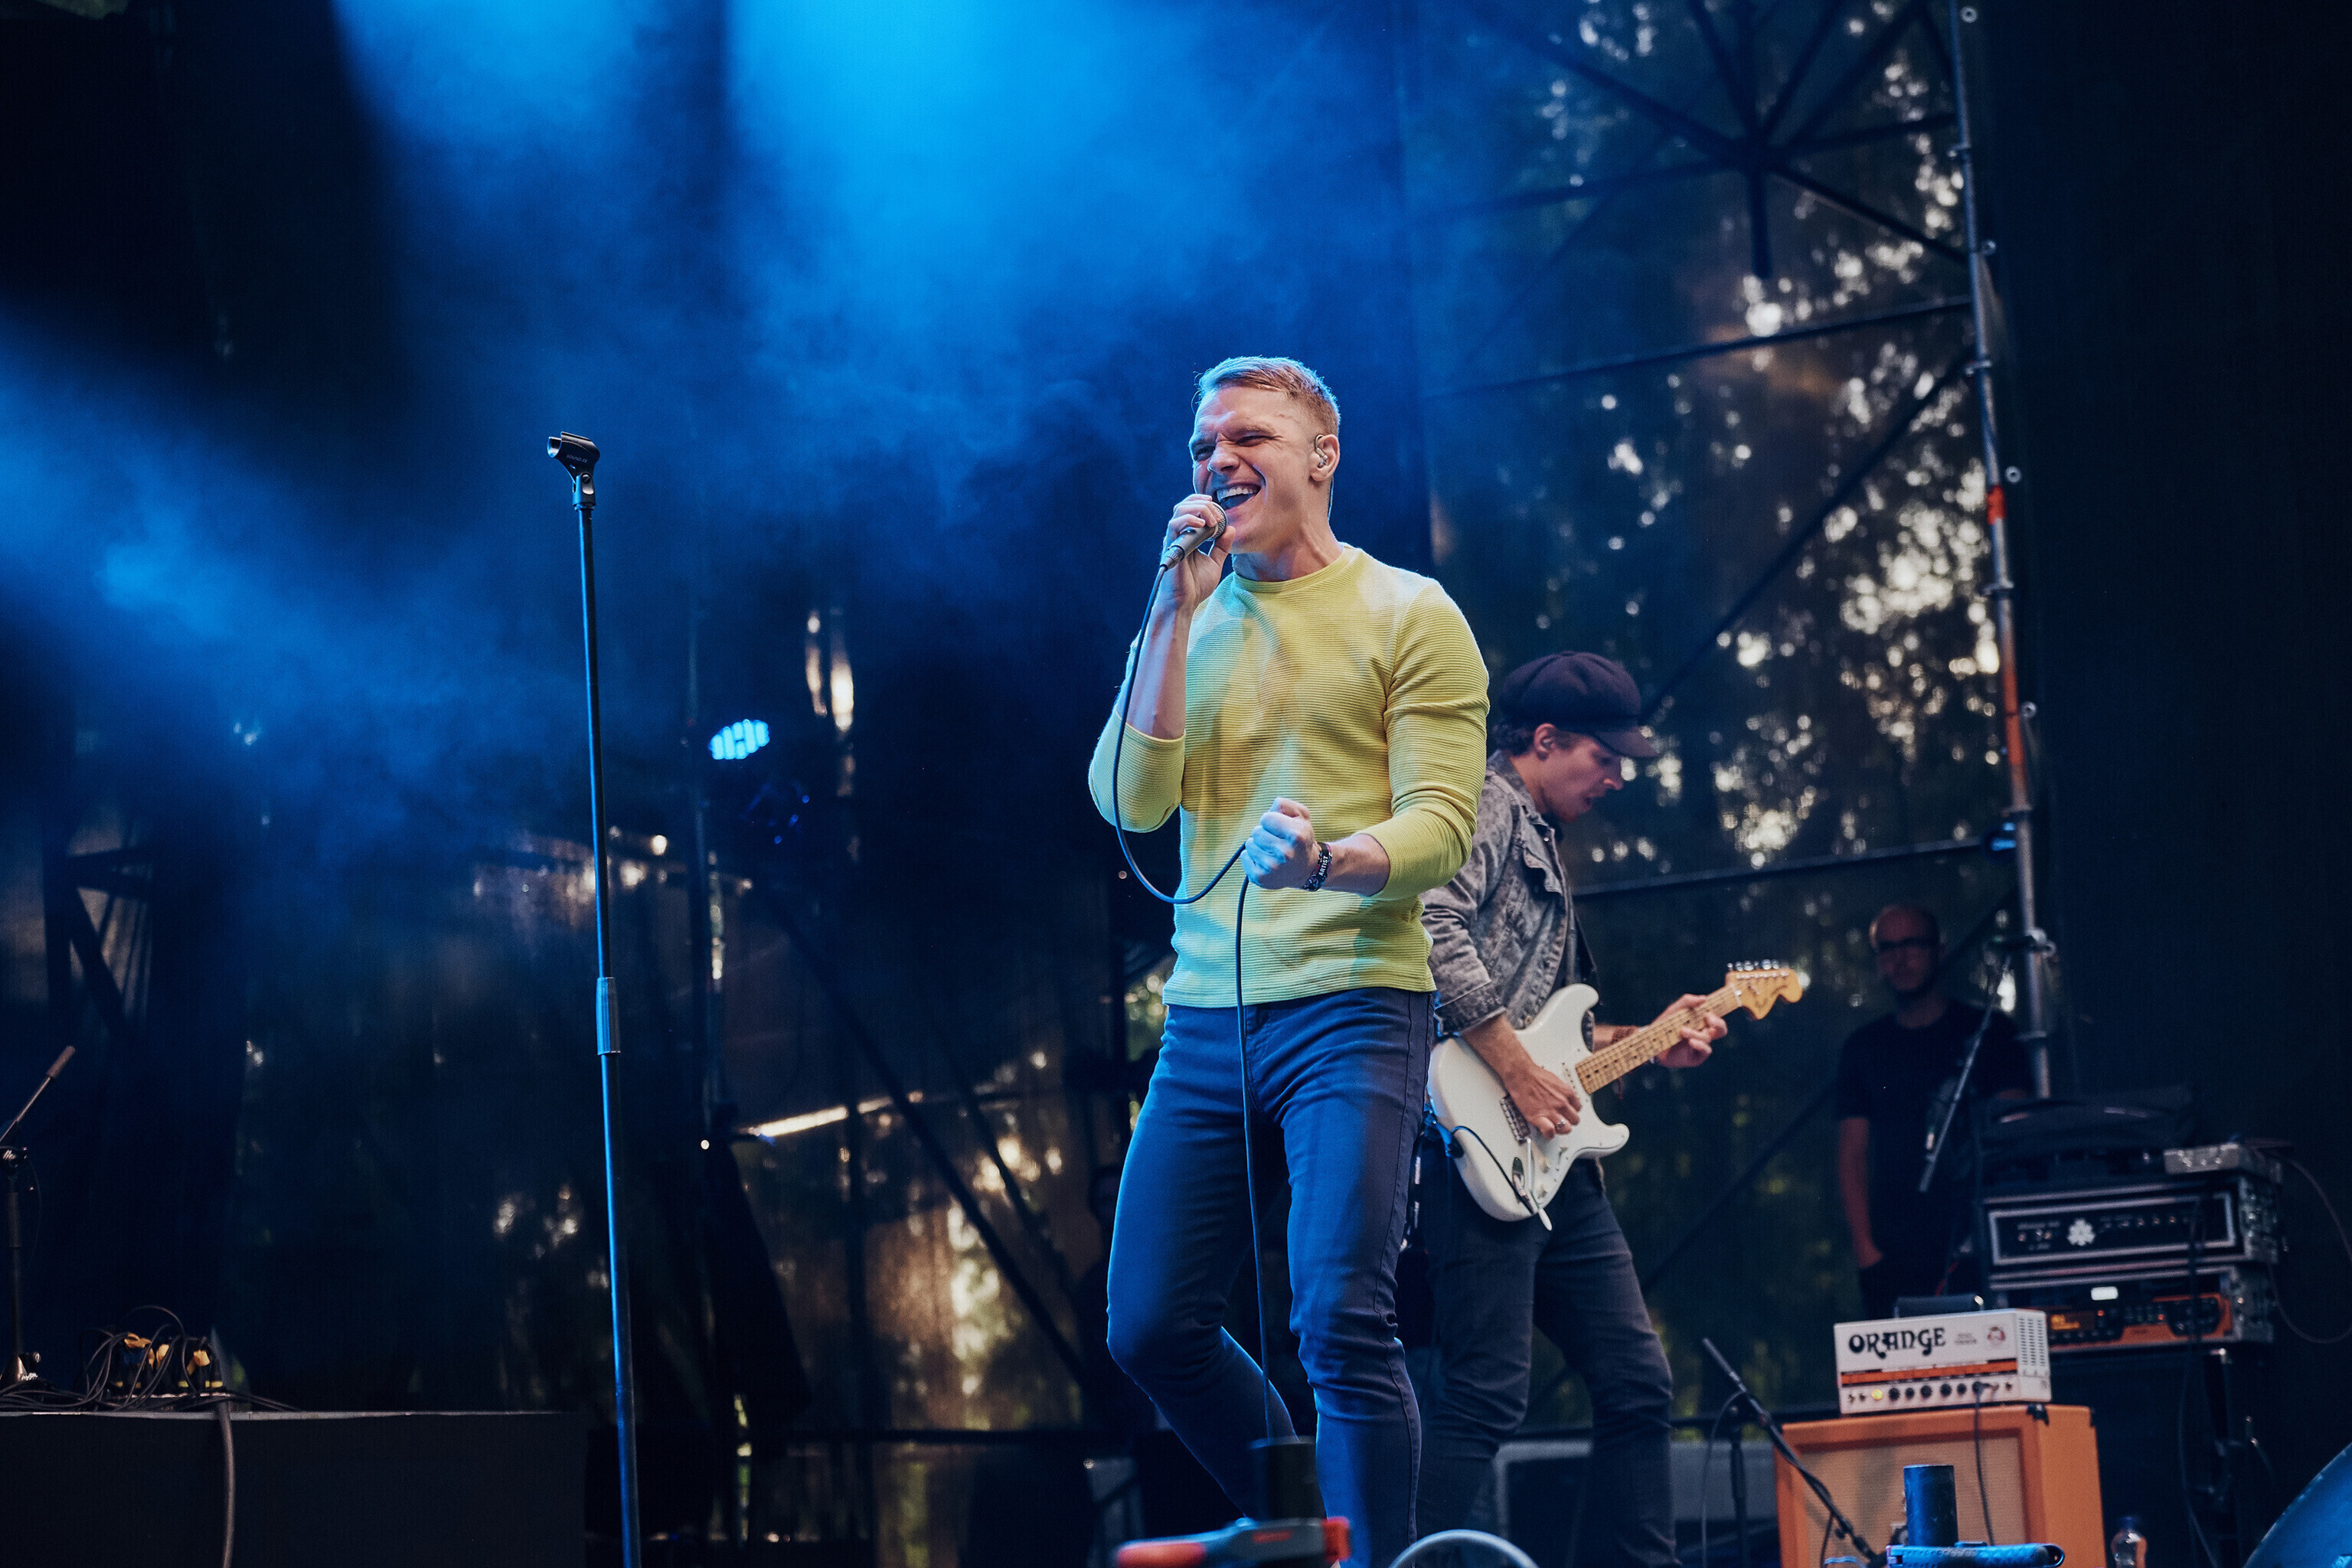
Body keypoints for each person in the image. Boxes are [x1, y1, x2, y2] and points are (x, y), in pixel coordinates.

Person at [1089, 357, 1488, 1568]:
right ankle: (1307, 1523)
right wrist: (1172, 612)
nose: (1219, 460)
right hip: (1207, 1018)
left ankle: (1368, 1559)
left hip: (1356, 1005)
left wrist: (1326, 861)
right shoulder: (1186, 617)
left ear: (1322, 454)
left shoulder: (1409, 613)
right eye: (1204, 445)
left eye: (1249, 437)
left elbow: (1441, 826)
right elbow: (1128, 801)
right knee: (1149, 1324)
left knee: (1340, 1318)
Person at [1411, 651, 1724, 1568]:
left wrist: (1649, 1038)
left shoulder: (1543, 832)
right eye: (1605, 755)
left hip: (1553, 1164)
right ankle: (1393, 1557)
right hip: (1475, 1149)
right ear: (1544, 739)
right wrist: (1515, 1071)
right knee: (1484, 1394)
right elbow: (1428, 928)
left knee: (1636, 1381)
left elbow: (1552, 1035)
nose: (1618, 775)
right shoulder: (1482, 804)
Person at [1834, 902, 2031, 1318]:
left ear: (1939, 952)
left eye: (1912, 944)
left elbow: (2017, 1133)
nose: (1900, 958)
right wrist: (1867, 1252)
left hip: (1981, 1241)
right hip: (1895, 1253)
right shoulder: (1864, 1048)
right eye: (1887, 948)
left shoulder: (1989, 1032)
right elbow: (1851, 1155)